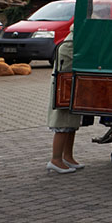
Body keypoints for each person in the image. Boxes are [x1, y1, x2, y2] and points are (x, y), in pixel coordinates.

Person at [46, 27, 83, 173]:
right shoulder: (68, 46)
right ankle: (56, 159)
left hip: (70, 88)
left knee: (71, 124)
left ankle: (68, 156)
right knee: (62, 124)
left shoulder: (73, 42)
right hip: (64, 90)